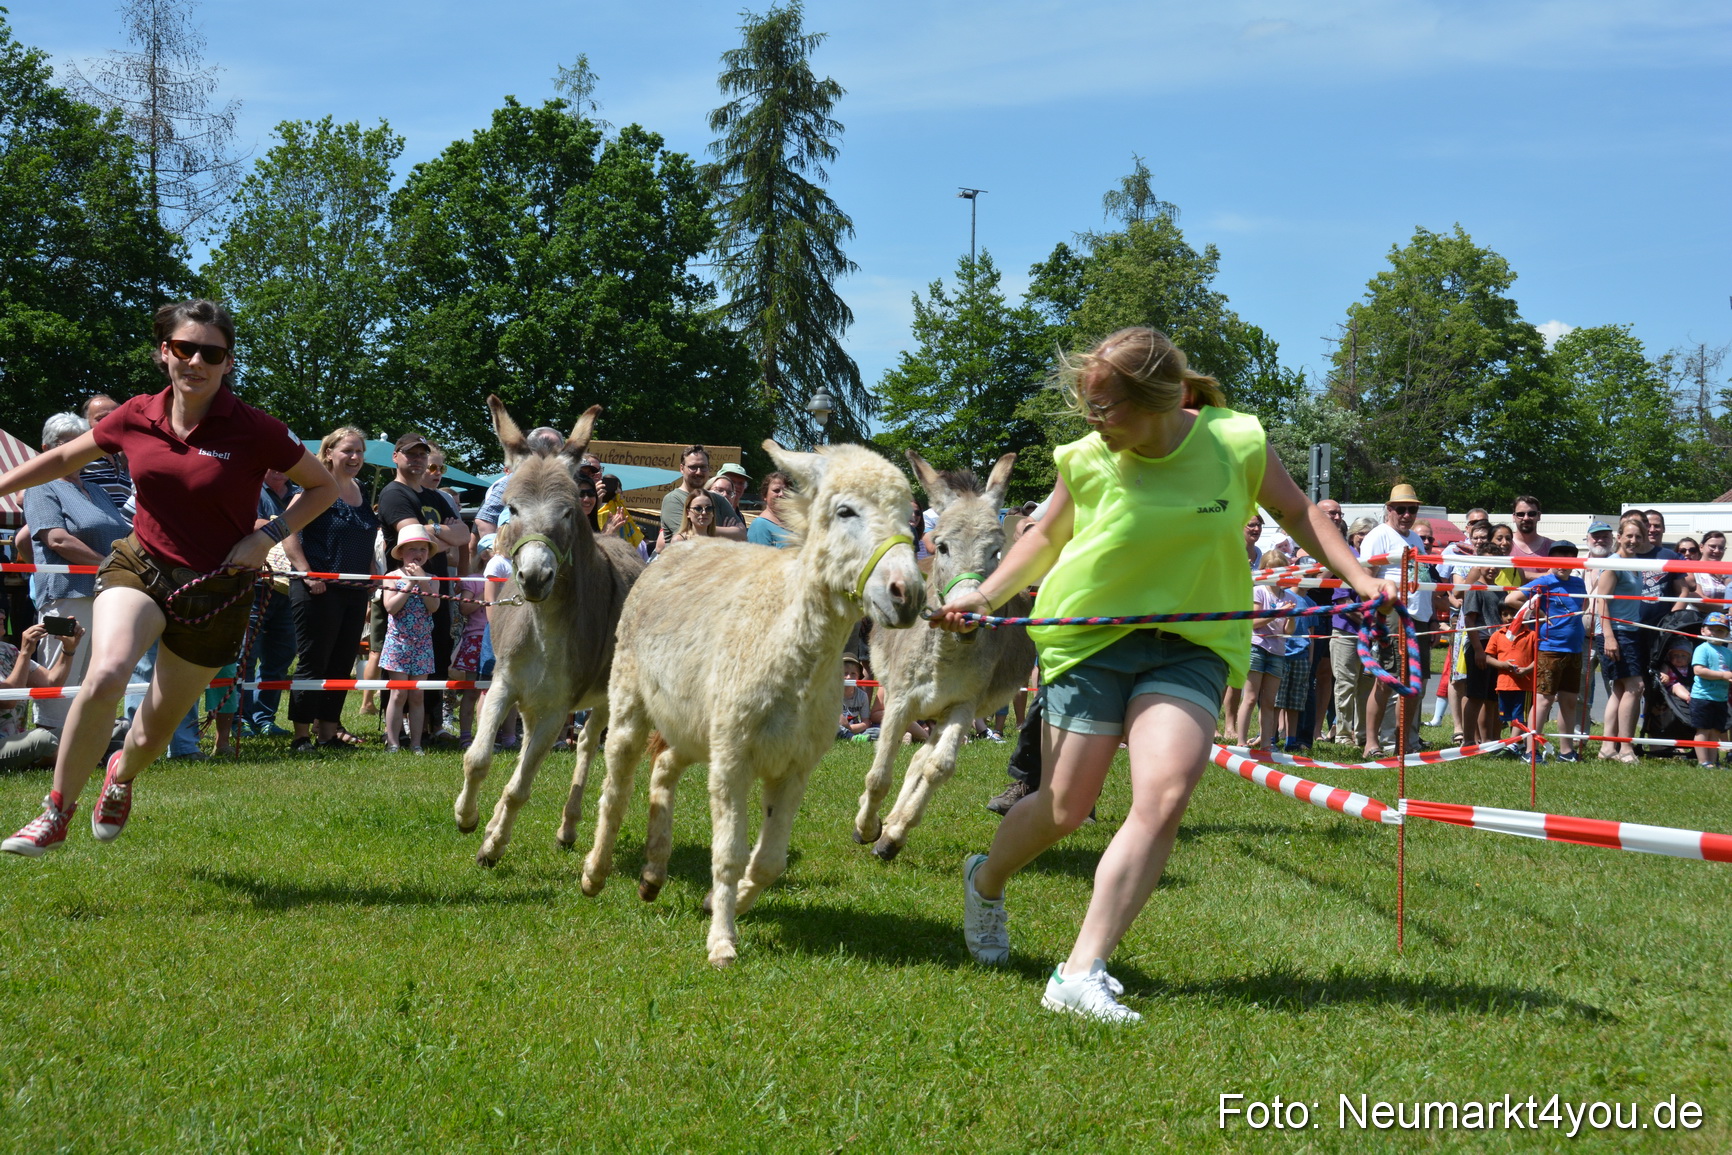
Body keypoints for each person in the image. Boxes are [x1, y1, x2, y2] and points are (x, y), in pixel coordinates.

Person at [930, 326, 1392, 1023]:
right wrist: (983, 596)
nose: (1094, 422)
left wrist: (1357, 575)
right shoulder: (1087, 457)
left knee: (1167, 792)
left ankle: (1081, 970)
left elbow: (1296, 511)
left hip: (1192, 642)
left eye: (1105, 407)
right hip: (1091, 639)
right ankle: (986, 877)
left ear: (1161, 399)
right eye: (1089, 408)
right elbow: (1045, 538)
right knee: (1064, 809)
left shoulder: (1235, 441)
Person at [1, 298, 337, 856]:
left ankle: (121, 775)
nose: (197, 361)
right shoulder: (135, 414)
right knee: (106, 672)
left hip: (216, 591)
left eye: (212, 352)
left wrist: (268, 536)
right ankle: (55, 813)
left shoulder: (256, 429)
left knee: (153, 731)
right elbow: (62, 461)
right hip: (141, 566)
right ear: (165, 352)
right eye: (185, 348)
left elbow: (322, 486)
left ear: (227, 362)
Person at [22, 413, 131, 734]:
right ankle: (51, 737)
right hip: (63, 597)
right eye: (68, 443)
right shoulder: (40, 486)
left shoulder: (96, 491)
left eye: (81, 443)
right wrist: (110, 565)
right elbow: (56, 538)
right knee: (61, 666)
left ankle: (88, 737)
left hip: (104, 594)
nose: (78, 450)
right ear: (48, 449)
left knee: (96, 670)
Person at [287, 427, 379, 752]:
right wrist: (306, 572)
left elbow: (363, 537)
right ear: (329, 453)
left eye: (359, 452)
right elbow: (288, 532)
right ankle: (300, 736)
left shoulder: (361, 489)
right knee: (314, 660)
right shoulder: (315, 487)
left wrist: (372, 574)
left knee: (341, 662)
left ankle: (327, 733)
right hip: (317, 589)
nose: (354, 458)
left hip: (355, 590)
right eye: (347, 451)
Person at [378, 432, 467, 743]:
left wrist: (432, 536)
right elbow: (410, 536)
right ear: (396, 456)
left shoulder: (436, 497)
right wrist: (442, 534)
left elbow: (463, 535)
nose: (417, 460)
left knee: (437, 656)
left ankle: (432, 726)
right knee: (399, 669)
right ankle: (397, 732)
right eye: (410, 454)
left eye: (422, 455)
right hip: (402, 587)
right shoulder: (393, 494)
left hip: (434, 586)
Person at [1359, 485, 1435, 758]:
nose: (1406, 514)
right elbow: (1365, 578)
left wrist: (1433, 618)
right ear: (1389, 509)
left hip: (1420, 617)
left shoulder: (1415, 537)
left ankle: (1404, 742)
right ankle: (1371, 743)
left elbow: (1423, 579)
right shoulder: (1378, 536)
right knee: (1386, 679)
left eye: (1412, 509)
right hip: (1393, 615)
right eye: (1400, 509)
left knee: (1415, 682)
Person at [1505, 541, 1589, 761]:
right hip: (1550, 648)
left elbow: (1585, 606)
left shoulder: (1579, 583)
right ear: (1550, 561)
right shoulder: (1544, 582)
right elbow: (1511, 599)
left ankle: (1566, 750)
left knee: (1570, 700)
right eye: (1557, 560)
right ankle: (1530, 750)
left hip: (1574, 648)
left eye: (1568, 560)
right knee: (1544, 700)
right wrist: (1540, 612)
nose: (1563, 565)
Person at [239, 466, 303, 736]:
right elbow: (244, 523)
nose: (278, 467)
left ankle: (265, 719)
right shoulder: (248, 488)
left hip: (289, 588)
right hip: (255, 584)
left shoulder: (301, 493)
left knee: (280, 658)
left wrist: (271, 525)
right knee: (245, 655)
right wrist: (286, 527)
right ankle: (239, 718)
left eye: (283, 462)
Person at [380, 525, 441, 755]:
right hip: (398, 643)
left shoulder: (433, 579)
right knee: (398, 692)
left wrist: (422, 581)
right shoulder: (391, 577)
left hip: (423, 644)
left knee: (417, 693)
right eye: (413, 549)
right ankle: (393, 742)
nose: (418, 553)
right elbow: (390, 607)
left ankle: (417, 743)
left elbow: (433, 607)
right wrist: (410, 583)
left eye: (423, 549)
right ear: (402, 552)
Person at [0, 613, 85, 772]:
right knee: (42, 739)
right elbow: (9, 700)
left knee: (81, 727)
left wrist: (68, 649)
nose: (3, 615)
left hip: (16, 740)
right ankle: (83, 762)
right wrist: (25, 652)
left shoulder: (7, 650)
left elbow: (50, 683)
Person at [1596, 514, 1649, 764]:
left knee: (1619, 689)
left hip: (1630, 632)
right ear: (1619, 537)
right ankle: (1625, 748)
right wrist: (1608, 636)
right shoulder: (1613, 564)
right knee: (1635, 687)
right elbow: (1601, 600)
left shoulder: (1636, 564)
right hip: (1615, 632)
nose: (1633, 540)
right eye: (1629, 535)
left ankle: (1608, 747)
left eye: (1638, 536)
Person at [1235, 550, 1296, 750]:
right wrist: (1277, 613)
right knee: (1251, 697)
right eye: (1273, 570)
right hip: (1257, 647)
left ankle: (1267, 744)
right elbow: (1253, 622)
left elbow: (1288, 631)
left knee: (1269, 701)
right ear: (1264, 571)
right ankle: (1241, 741)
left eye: (1282, 570)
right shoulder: (1259, 591)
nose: (1278, 575)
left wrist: (1291, 616)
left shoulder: (1287, 595)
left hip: (1277, 651)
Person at [658, 446, 745, 550]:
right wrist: (727, 531)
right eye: (693, 467)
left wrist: (702, 529)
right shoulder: (673, 500)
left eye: (703, 467)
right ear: (682, 468)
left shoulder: (718, 499)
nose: (699, 472)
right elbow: (690, 536)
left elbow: (742, 534)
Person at [1483, 602, 1535, 743]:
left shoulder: (1531, 635)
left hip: (1524, 685)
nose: (1510, 618)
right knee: (1505, 716)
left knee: (1520, 717)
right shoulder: (1497, 635)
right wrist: (1503, 665)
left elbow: (1539, 658)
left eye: (1513, 614)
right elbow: (1488, 657)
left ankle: (1514, 744)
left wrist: (1527, 670)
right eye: (1505, 614)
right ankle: (1504, 742)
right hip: (1504, 685)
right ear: (1500, 617)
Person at [1689, 613, 1731, 768]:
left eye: (1720, 631)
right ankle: (1702, 761)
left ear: (1727, 634)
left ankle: (1713, 762)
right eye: (1711, 629)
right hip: (1703, 698)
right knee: (1703, 731)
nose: (1715, 633)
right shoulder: (1702, 649)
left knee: (1715, 732)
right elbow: (1699, 671)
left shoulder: (1728, 653)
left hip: (1720, 698)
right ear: (1703, 631)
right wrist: (1723, 675)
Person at [746, 471, 797, 548]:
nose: (782, 494)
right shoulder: (759, 525)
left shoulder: (795, 523)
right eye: (776, 490)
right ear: (765, 495)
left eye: (786, 491)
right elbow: (759, 559)